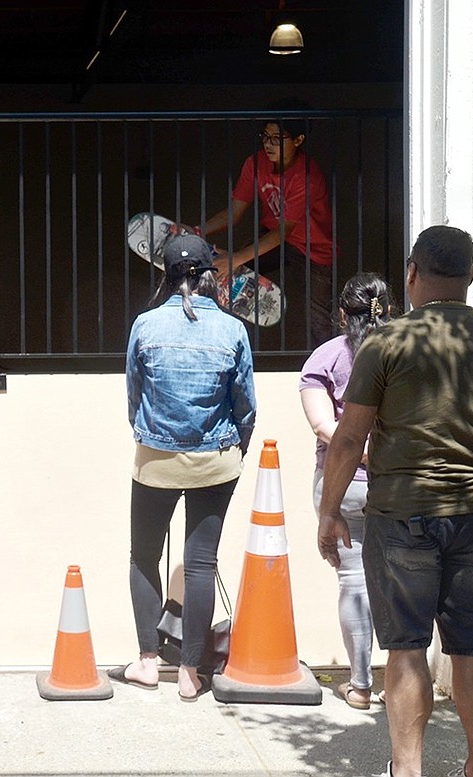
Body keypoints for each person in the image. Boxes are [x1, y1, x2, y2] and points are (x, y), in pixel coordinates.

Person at [317, 226, 473, 777]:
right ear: (469, 277)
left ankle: (409, 770)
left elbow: (348, 438)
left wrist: (328, 511)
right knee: (472, 646)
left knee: (408, 649)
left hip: (401, 516)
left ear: (412, 274)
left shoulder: (386, 344)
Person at [114, 233, 257, 701]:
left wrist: (147, 434)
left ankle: (148, 662)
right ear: (211, 275)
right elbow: (246, 407)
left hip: (155, 460)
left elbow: (134, 396)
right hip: (216, 462)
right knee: (200, 565)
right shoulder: (234, 330)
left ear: (168, 274)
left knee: (143, 555)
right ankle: (192, 674)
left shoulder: (145, 324)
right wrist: (237, 448)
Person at [299, 272, 393, 710]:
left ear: (341, 314)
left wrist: (357, 451)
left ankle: (359, 685)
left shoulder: (325, 358)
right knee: (400, 583)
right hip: (398, 485)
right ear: (388, 310)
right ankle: (400, 680)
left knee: (353, 580)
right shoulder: (403, 353)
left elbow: (323, 425)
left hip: (344, 488)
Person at [196, 98, 336, 349]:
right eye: (265, 136)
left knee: (319, 319)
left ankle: (328, 371)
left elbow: (284, 232)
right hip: (272, 237)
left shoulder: (307, 177)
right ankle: (224, 350)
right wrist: (198, 231)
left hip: (313, 248)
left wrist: (236, 258)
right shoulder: (256, 163)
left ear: (298, 140)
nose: (268, 144)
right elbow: (234, 213)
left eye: (277, 138)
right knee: (227, 276)